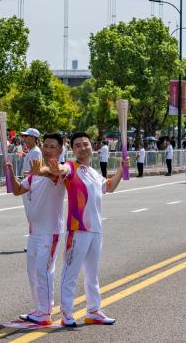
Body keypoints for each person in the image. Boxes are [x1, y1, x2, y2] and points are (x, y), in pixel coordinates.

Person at [56, 131, 130, 327]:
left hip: (96, 229)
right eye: (78, 145)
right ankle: (66, 313)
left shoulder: (94, 173)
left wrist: (122, 170)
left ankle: (93, 310)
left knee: (92, 273)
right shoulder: (71, 167)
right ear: (73, 149)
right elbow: (61, 169)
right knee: (70, 272)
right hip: (77, 228)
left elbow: (109, 187)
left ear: (92, 147)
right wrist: (56, 167)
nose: (82, 147)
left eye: (85, 144)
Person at [6, 132, 69, 326]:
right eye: (46, 146)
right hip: (34, 231)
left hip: (50, 232)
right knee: (32, 271)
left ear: (59, 150)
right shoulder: (35, 177)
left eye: (52, 147)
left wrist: (39, 171)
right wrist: (9, 172)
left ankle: (45, 311)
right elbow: (17, 191)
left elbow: (55, 173)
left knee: (44, 270)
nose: (48, 149)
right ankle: (38, 307)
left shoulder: (58, 173)